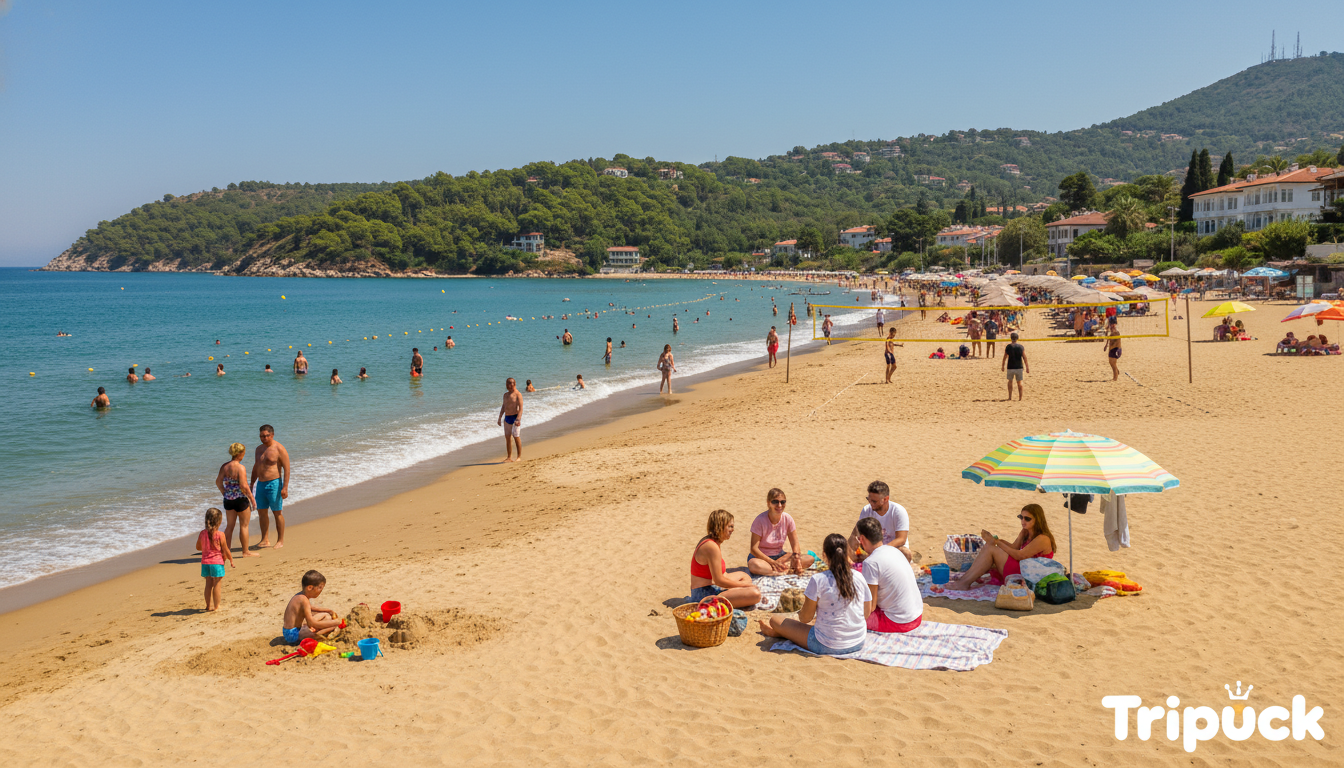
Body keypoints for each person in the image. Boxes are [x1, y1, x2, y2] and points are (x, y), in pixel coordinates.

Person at [759, 533, 872, 655]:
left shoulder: (819, 580)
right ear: (846, 554)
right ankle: (784, 633)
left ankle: (779, 633)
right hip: (858, 641)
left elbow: (805, 618)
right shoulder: (859, 577)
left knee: (775, 620)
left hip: (825, 644)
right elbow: (866, 612)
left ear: (824, 555)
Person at [945, 503, 1056, 591]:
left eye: (1027, 519)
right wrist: (995, 540)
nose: (1023, 521)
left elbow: (1020, 555)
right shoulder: (1026, 532)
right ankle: (964, 580)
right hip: (1024, 568)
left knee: (991, 548)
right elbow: (1014, 547)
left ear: (1038, 520)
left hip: (1030, 575)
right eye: (1021, 517)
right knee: (990, 546)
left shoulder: (1043, 538)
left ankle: (963, 583)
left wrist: (997, 543)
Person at [854, 517, 923, 633]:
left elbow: (870, 607)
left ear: (862, 539)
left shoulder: (871, 563)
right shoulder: (894, 551)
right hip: (916, 616)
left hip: (899, 622)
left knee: (848, 613)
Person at [689, 510, 762, 608]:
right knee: (755, 594)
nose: (732, 530)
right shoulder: (711, 546)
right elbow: (719, 581)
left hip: (708, 587)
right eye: (730, 526)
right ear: (720, 526)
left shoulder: (712, 542)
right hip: (704, 594)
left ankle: (734, 595)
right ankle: (715, 603)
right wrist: (744, 586)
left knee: (744, 576)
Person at [747, 488, 814, 576]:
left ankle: (776, 571)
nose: (779, 505)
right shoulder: (759, 520)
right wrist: (772, 562)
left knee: (809, 559)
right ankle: (783, 569)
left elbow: (795, 543)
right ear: (768, 503)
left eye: (782, 502)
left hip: (781, 556)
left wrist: (796, 558)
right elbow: (754, 549)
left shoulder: (788, 519)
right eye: (775, 502)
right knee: (754, 564)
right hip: (762, 558)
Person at [849, 480, 912, 563]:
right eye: (869, 499)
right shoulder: (866, 510)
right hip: (872, 550)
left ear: (886, 499)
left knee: (906, 553)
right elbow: (855, 534)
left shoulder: (898, 511)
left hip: (893, 549)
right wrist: (848, 553)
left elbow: (901, 539)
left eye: (874, 501)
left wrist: (880, 552)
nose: (870, 503)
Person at [251, 424, 290, 549]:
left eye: (267, 435)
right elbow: (256, 467)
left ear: (272, 435)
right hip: (261, 484)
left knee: (277, 512)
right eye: (262, 436)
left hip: (274, 484)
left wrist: (285, 487)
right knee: (261, 513)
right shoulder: (258, 449)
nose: (264, 438)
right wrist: (252, 483)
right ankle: (265, 539)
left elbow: (287, 468)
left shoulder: (279, 449)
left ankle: (280, 540)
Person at [217, 442, 259, 557]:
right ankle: (245, 552)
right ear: (240, 453)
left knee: (229, 526)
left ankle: (225, 552)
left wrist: (225, 493)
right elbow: (244, 486)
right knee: (244, 526)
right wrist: (252, 499)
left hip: (228, 500)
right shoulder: (240, 468)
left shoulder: (224, 466)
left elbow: (218, 482)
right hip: (240, 499)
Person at [282, 570, 342, 644]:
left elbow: (311, 608)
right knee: (331, 625)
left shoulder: (300, 596)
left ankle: (322, 630)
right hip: (292, 635)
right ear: (310, 588)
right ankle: (319, 635)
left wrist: (329, 610)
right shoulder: (304, 600)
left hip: (288, 631)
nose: (321, 590)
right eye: (320, 588)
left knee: (326, 615)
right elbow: (312, 624)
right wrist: (337, 622)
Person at [195, 508, 234, 611]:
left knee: (208, 584)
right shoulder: (220, 535)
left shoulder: (202, 533)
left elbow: (198, 547)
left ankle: (208, 606)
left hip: (205, 563)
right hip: (217, 563)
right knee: (217, 583)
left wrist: (206, 547)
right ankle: (216, 607)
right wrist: (231, 559)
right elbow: (225, 549)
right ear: (219, 521)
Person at [498, 377, 523, 462]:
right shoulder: (505, 395)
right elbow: (503, 406)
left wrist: (518, 419)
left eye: (511, 383)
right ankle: (509, 457)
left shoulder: (518, 394)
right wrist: (500, 417)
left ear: (514, 384)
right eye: (508, 383)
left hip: (515, 417)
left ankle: (519, 457)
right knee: (507, 437)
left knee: (516, 437)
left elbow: (521, 408)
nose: (510, 385)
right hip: (507, 418)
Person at [1002, 331, 1028, 401]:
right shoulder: (1020, 347)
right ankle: (1020, 398)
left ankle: (1010, 397)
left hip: (1010, 366)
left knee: (1010, 381)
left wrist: (1003, 365)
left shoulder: (1008, 347)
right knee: (1019, 383)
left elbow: (1005, 357)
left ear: (1011, 338)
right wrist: (1027, 367)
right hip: (1019, 366)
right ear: (1017, 338)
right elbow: (1024, 357)